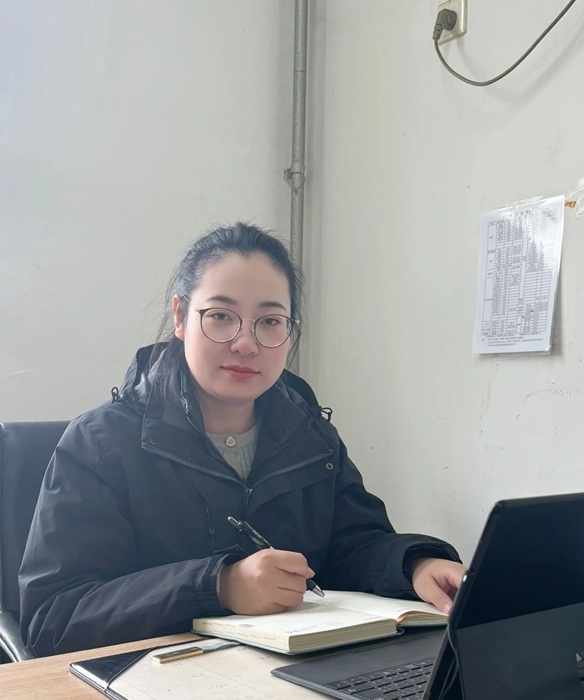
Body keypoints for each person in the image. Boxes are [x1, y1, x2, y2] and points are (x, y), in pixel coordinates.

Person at [19, 223, 464, 657]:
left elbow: (353, 545)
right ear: (180, 317)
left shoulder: (311, 435)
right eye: (220, 316)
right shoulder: (101, 444)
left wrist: (415, 565)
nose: (246, 343)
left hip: (290, 674)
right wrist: (218, 586)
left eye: (269, 321)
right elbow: (54, 619)